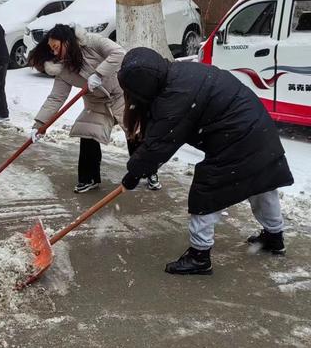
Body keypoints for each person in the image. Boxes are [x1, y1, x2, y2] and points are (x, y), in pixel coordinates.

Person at [118, 47, 294, 275]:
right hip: (259, 130)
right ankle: (274, 237)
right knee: (262, 182)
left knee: (206, 193)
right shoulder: (178, 74)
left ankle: (199, 257)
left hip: (238, 139)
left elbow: (158, 145)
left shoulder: (174, 97)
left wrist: (133, 174)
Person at [28, 24, 161, 193]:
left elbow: (119, 53)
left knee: (134, 133)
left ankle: (148, 171)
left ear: (67, 42)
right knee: (88, 133)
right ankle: (89, 179)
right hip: (96, 102)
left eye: (56, 47)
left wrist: (98, 74)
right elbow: (56, 97)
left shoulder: (91, 42)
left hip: (121, 93)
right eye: (51, 49)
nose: (54, 52)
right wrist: (39, 124)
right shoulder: (62, 69)